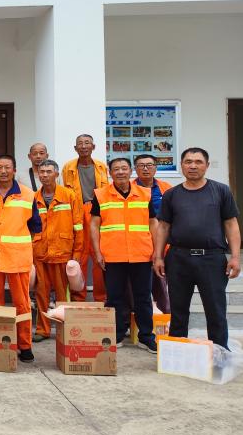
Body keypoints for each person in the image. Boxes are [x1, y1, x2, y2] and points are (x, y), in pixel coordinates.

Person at [154, 148, 240, 349]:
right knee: (178, 311)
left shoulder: (221, 191)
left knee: (216, 310)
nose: (193, 166)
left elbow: (231, 224)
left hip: (212, 259)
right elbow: (163, 227)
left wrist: (235, 257)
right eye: (188, 161)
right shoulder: (171, 195)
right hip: (178, 258)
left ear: (207, 165)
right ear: (182, 165)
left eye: (198, 162)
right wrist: (158, 256)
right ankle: (177, 352)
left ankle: (219, 353)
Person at [0, 155, 41, 362]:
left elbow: (35, 226)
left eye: (7, 167)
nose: (3, 171)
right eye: (0, 167)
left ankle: (24, 345)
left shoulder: (28, 195)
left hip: (18, 257)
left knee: (22, 303)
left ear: (14, 170)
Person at [89, 157, 158, 352]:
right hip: (112, 254)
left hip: (141, 253)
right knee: (114, 297)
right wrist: (97, 252)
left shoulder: (144, 194)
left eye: (124, 168)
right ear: (110, 173)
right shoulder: (101, 195)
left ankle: (146, 337)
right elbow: (94, 224)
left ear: (130, 171)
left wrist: (157, 250)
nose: (120, 172)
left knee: (143, 297)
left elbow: (153, 222)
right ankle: (117, 334)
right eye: (116, 169)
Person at [32, 160, 83, 342]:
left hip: (63, 252)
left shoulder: (69, 195)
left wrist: (76, 255)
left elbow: (78, 226)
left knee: (63, 294)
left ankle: (65, 328)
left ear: (56, 174)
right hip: (40, 253)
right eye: (42, 172)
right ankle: (42, 329)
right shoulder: (33, 197)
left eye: (48, 171)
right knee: (41, 293)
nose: (45, 175)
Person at [61, 134, 109, 302]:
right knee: (78, 255)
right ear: (75, 148)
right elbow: (65, 192)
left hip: (96, 211)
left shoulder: (101, 167)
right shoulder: (68, 167)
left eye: (87, 143)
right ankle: (78, 297)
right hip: (77, 211)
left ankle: (101, 297)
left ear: (93, 147)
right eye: (80, 143)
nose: (83, 146)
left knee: (98, 254)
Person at [134, 154, 172, 312]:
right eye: (141, 165)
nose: (145, 169)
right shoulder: (129, 188)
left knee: (161, 282)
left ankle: (164, 317)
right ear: (135, 169)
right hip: (138, 242)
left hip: (163, 241)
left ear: (156, 168)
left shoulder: (166, 188)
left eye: (149, 165)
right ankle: (137, 317)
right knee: (137, 285)